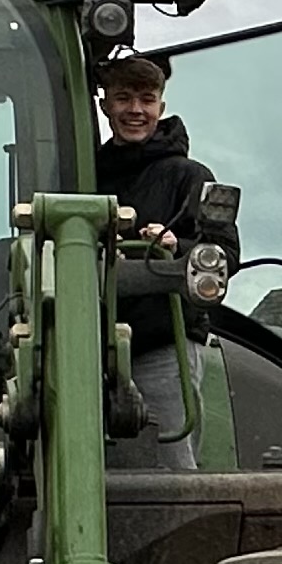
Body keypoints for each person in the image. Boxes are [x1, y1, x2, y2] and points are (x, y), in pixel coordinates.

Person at [91, 53, 230, 472]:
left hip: (161, 342)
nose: (135, 110)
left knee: (170, 461)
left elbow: (225, 254)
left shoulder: (189, 176)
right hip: (88, 347)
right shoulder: (85, 173)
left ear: (161, 108)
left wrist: (175, 244)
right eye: (123, 98)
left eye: (146, 100)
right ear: (104, 107)